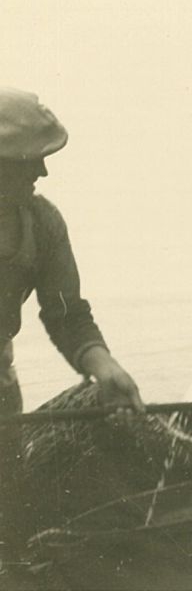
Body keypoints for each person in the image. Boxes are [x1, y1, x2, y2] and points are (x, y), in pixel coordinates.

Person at [0, 87, 144, 569]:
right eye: (31, 159)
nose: (42, 171)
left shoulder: (42, 222)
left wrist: (104, 367)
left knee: (10, 535)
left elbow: (66, 313)